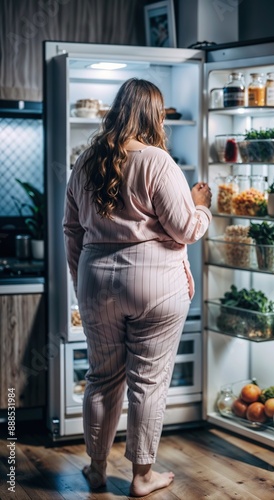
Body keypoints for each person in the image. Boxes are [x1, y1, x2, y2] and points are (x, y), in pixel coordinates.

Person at [62, 78, 212, 497]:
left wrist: (81, 280)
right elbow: (184, 229)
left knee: (102, 378)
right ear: (153, 115)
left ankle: (95, 469)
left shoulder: (85, 159)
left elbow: (71, 230)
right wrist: (201, 206)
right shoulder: (158, 161)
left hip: (96, 282)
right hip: (155, 285)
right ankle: (142, 476)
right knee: (148, 381)